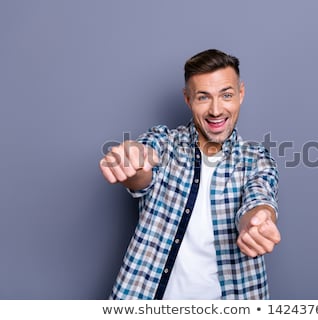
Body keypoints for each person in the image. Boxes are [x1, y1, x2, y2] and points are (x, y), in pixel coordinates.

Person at [99, 49, 281, 300]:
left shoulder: (255, 158)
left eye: (226, 95)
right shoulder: (163, 142)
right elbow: (142, 169)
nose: (216, 110)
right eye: (203, 97)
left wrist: (258, 221)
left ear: (241, 94)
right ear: (188, 99)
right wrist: (134, 159)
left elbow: (260, 197)